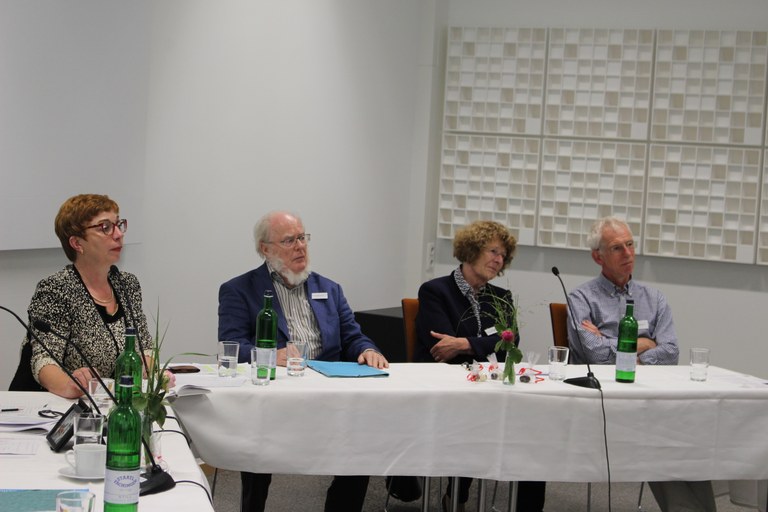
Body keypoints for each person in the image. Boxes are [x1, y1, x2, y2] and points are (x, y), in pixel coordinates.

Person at [218, 210, 388, 512]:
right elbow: (233, 347)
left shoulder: (330, 289)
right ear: (265, 249)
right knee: (256, 453)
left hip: (330, 394)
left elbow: (353, 337)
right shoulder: (239, 290)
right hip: (276, 399)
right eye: (289, 240)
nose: (300, 246)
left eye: (302, 237)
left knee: (365, 444)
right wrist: (270, 355)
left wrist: (368, 349)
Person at [567, 216, 714, 512]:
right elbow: (592, 352)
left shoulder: (654, 298)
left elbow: (671, 351)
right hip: (605, 398)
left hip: (652, 391)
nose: (628, 253)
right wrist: (646, 344)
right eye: (617, 248)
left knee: (690, 433)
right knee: (662, 437)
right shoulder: (581, 297)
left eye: (631, 245)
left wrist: (620, 348)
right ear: (598, 257)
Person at [414, 220, 546, 512]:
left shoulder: (502, 297)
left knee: (536, 430)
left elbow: (511, 341)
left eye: (503, 255)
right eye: (493, 251)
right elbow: (442, 348)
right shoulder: (435, 291)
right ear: (471, 250)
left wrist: (464, 344)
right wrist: (481, 344)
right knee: (477, 420)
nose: (499, 260)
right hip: (446, 390)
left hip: (491, 386)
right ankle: (457, 496)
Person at [9, 194, 152, 399]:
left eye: (118, 224)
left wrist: (155, 373)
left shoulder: (127, 284)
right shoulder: (56, 290)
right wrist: (70, 385)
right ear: (77, 243)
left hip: (108, 404)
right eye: (105, 227)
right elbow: (44, 360)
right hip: (53, 409)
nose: (119, 234)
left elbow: (144, 347)